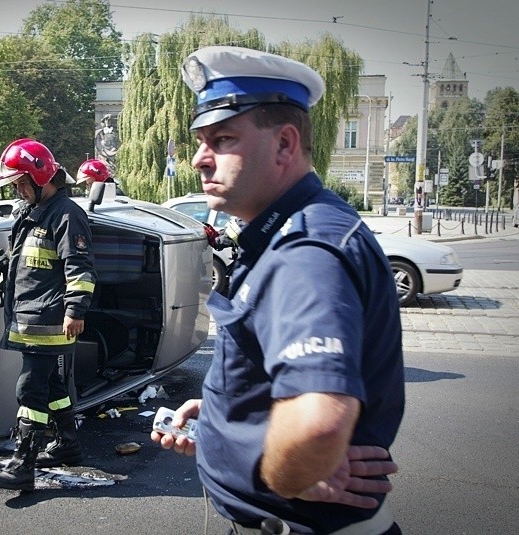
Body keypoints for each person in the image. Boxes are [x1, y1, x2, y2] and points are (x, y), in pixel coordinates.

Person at [152, 46, 405, 534]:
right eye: (200, 141)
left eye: (222, 139)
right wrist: (226, 418)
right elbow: (278, 375)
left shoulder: (304, 251)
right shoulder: (283, 231)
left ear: (286, 144)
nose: (201, 159)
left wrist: (288, 475)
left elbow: (318, 424)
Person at [0, 138, 96, 491]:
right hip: (31, 317)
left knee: (30, 388)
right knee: (54, 386)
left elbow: (81, 267)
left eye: (20, 183)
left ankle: (22, 465)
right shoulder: (30, 214)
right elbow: (12, 263)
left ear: (41, 176)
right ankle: (67, 445)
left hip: (49, 319)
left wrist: (75, 309)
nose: (17, 190)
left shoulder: (66, 215)